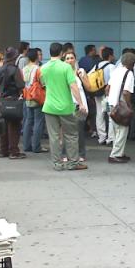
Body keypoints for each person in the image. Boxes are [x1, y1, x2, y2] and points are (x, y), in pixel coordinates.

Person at [40, 42, 88, 171]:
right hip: (66, 106)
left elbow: (43, 84)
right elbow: (73, 86)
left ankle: (57, 163)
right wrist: (81, 103)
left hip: (49, 106)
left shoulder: (43, 68)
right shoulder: (66, 67)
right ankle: (73, 163)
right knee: (71, 135)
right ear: (61, 53)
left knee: (54, 136)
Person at [0, 47, 26, 159]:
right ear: (14, 57)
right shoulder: (15, 69)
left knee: (3, 125)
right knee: (14, 125)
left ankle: (3, 150)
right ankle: (14, 151)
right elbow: (20, 85)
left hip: (2, 100)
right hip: (13, 100)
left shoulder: (1, 69)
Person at [107, 52, 135, 163]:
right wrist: (129, 105)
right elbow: (126, 93)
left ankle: (119, 152)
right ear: (132, 63)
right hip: (121, 105)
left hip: (112, 103)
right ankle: (115, 155)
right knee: (123, 130)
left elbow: (107, 88)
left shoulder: (116, 71)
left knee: (116, 130)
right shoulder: (129, 74)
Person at [61, 49, 89, 161]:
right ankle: (65, 154)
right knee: (66, 130)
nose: (69, 60)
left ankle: (81, 154)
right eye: (67, 58)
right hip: (67, 103)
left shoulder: (80, 71)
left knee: (79, 129)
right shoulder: (62, 72)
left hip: (80, 104)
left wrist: (82, 77)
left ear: (75, 59)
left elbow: (89, 87)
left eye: (71, 58)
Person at [22, 48, 48, 154]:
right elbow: (43, 83)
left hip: (27, 96)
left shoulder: (24, 69)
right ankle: (36, 146)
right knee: (38, 122)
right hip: (37, 97)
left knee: (28, 121)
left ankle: (26, 145)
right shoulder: (38, 69)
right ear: (36, 57)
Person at [94, 47, 116, 145]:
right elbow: (113, 81)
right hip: (107, 95)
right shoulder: (112, 67)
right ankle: (110, 138)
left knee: (99, 114)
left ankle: (101, 137)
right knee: (110, 116)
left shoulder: (97, 65)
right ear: (110, 56)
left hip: (98, 93)